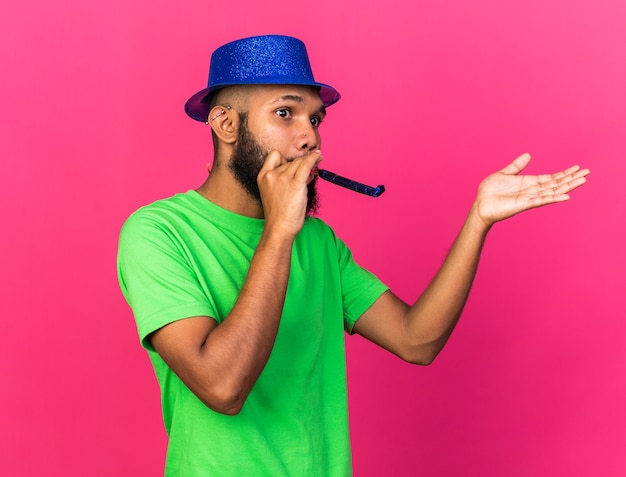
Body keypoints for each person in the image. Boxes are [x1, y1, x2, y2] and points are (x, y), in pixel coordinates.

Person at [117, 35, 589, 476]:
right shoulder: (158, 232)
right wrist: (279, 232)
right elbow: (222, 387)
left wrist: (478, 220)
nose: (310, 139)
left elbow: (415, 341)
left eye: (315, 119)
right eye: (286, 114)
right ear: (225, 124)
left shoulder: (317, 242)